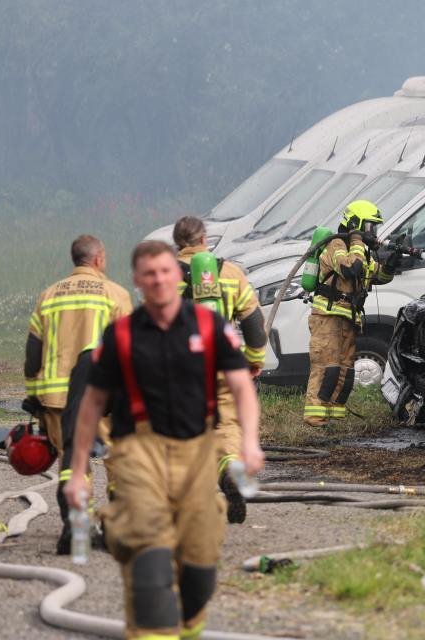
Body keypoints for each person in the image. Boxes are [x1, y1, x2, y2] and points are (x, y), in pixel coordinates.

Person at [65, 241, 264, 640]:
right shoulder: (120, 335)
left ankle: (189, 624)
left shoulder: (210, 328)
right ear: (137, 281)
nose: (158, 280)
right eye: (148, 273)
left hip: (195, 453)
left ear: (179, 277)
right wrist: (76, 471)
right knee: (150, 556)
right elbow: (91, 406)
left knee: (200, 569)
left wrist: (251, 442)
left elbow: (242, 387)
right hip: (138, 453)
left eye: (165, 272)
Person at [23, 234, 132, 552]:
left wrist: (33, 397)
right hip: (103, 400)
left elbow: (33, 353)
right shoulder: (116, 294)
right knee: (117, 462)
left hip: (57, 401)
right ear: (98, 259)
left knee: (74, 460)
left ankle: (77, 526)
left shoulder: (49, 295)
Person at [173, 216, 266, 523]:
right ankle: (230, 469)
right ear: (204, 241)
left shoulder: (163, 273)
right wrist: (254, 359)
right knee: (227, 425)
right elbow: (253, 323)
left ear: (177, 243)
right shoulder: (229, 272)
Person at [303, 200, 400, 427]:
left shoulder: (362, 253)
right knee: (327, 365)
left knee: (345, 369)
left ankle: (334, 415)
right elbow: (350, 268)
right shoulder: (335, 245)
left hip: (348, 317)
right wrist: (357, 241)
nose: (372, 232)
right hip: (327, 316)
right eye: (369, 226)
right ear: (355, 223)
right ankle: (315, 417)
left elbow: (377, 276)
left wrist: (391, 264)